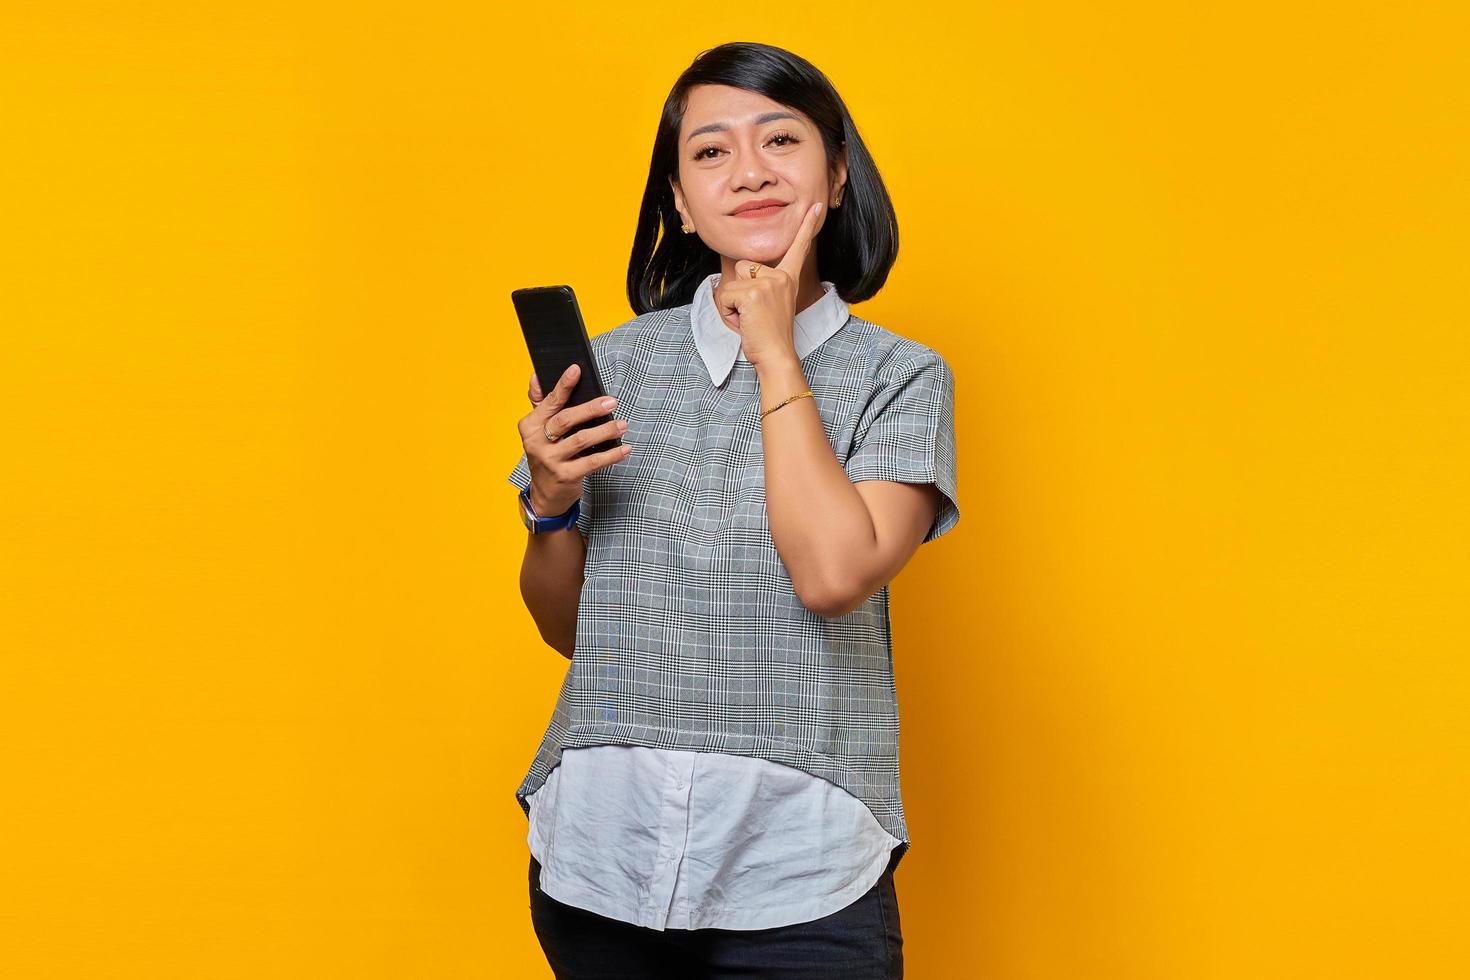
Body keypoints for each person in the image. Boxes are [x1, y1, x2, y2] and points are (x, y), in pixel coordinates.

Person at [507, 41, 959, 979]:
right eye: (709, 152)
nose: (747, 172)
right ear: (678, 200)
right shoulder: (615, 366)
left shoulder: (899, 375)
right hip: (601, 853)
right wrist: (551, 508)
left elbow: (833, 575)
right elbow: (570, 631)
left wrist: (777, 354)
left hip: (801, 867)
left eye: (780, 141)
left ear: (835, 174)